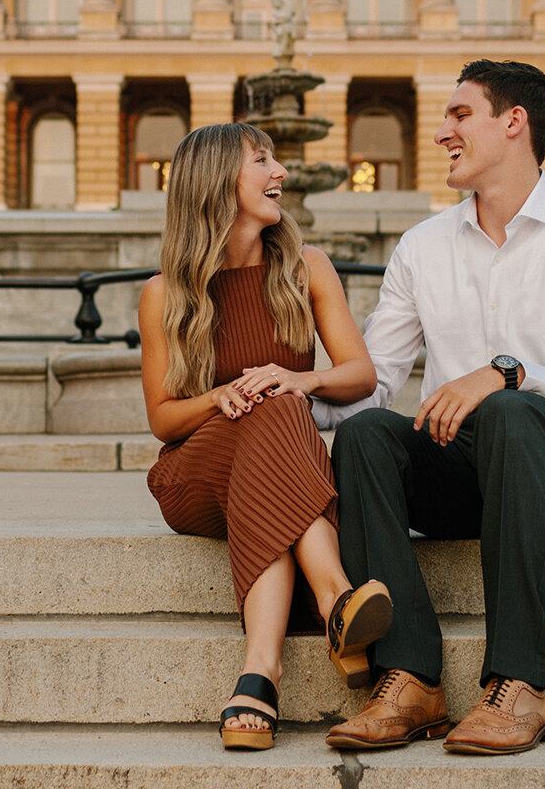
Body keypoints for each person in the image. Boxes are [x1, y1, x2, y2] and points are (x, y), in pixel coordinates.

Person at [324, 59, 545, 756]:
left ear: (513, 122)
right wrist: (293, 395)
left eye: (459, 115)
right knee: (367, 438)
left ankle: (521, 683)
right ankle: (410, 677)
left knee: (508, 411)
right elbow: (376, 381)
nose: (440, 132)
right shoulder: (423, 248)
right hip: (461, 469)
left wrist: (510, 374)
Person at [139, 122, 395, 750]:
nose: (280, 171)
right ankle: (335, 595)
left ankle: (261, 673)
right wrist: (219, 398)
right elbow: (163, 420)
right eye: (262, 161)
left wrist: (298, 379)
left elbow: (361, 374)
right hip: (193, 475)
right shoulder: (164, 293)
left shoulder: (306, 268)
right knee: (271, 409)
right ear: (218, 181)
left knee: (282, 401)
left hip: (268, 470)